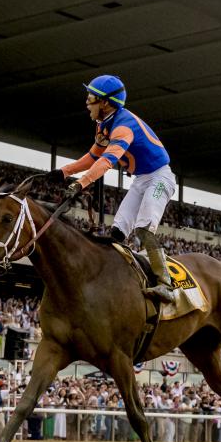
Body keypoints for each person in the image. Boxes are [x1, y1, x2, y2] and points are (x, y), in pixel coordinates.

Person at [49, 74, 178, 302]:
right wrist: (64, 172)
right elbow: (92, 157)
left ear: (105, 103)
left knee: (144, 230)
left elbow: (107, 161)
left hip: (159, 178)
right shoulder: (104, 125)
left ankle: (166, 284)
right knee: (117, 233)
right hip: (141, 179)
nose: (87, 103)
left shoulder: (123, 128)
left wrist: (81, 183)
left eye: (91, 98)